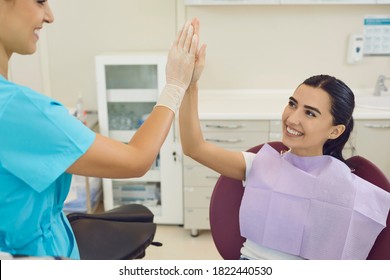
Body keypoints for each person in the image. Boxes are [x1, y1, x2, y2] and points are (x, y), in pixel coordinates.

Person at [0, 0, 200, 259]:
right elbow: (137, 160)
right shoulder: (17, 109)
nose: (49, 16)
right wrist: (176, 84)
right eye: (39, 1)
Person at [179, 47, 390, 259]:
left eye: (309, 113)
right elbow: (194, 147)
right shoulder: (258, 165)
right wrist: (191, 85)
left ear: (335, 130)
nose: (292, 119)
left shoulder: (349, 189)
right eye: (292, 104)